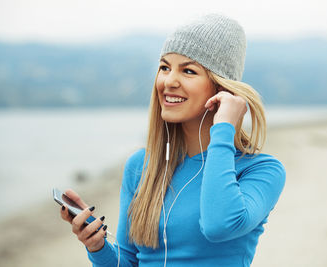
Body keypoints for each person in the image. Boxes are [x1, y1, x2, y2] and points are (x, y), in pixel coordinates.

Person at [60, 14, 286, 266]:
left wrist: (223, 127)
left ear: (221, 89)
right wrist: (98, 246)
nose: (169, 81)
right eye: (165, 67)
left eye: (188, 71)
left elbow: (219, 225)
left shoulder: (261, 170)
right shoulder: (141, 166)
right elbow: (130, 262)